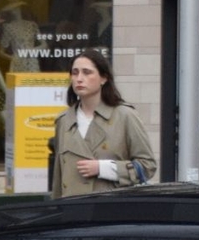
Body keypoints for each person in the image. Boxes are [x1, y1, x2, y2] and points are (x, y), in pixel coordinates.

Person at [48, 51, 155, 197]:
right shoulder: (64, 120)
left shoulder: (124, 116)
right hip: (73, 211)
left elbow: (147, 166)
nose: (79, 79)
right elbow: (58, 178)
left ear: (103, 78)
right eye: (75, 73)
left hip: (108, 211)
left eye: (87, 72)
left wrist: (103, 168)